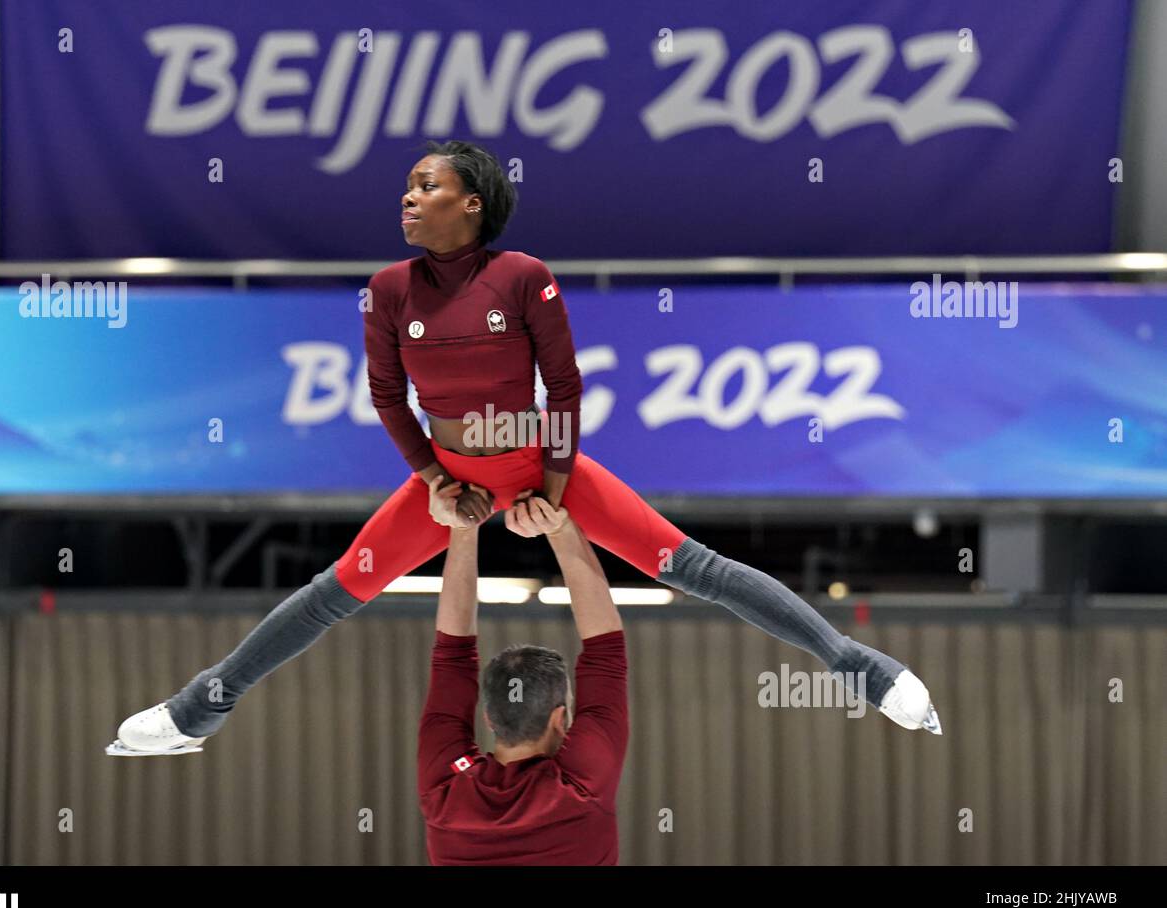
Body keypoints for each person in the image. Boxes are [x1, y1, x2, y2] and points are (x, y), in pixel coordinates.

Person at [108, 139, 940, 757]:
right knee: (331, 594)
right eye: (406, 186)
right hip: (452, 480)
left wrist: (553, 481)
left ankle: (865, 670)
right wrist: (434, 481)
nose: (408, 197)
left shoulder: (522, 275)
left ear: (471, 202)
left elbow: (566, 388)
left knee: (698, 570)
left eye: (426, 186)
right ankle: (194, 713)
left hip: (545, 470)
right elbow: (388, 398)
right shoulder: (390, 291)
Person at [420, 492, 626, 864]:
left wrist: (559, 529)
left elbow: (606, 653)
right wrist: (465, 528)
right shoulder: (579, 786)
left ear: (489, 718)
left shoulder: (449, 789)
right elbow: (452, 658)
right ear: (558, 719)